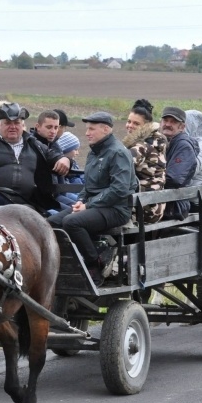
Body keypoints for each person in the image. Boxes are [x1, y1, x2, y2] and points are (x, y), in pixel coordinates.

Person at [48, 112, 136, 285]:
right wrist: (81, 201)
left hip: (116, 209)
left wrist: (88, 205)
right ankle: (67, 264)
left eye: (91, 129)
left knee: (72, 222)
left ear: (105, 130)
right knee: (50, 224)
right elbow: (88, 186)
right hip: (94, 206)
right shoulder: (94, 152)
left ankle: (95, 263)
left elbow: (120, 189)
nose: (87, 133)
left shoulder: (118, 153)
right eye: (87, 129)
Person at [0, 102, 71, 209]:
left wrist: (63, 158)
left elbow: (52, 155)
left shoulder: (33, 144)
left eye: (16, 122)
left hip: (26, 203)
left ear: (22, 124)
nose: (13, 127)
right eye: (7, 123)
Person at [121, 99, 167, 224]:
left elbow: (119, 168)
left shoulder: (142, 147)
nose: (130, 125)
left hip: (144, 207)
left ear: (146, 126)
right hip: (153, 203)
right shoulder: (154, 140)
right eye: (129, 121)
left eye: (136, 123)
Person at [160, 106, 198, 220]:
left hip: (173, 206)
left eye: (173, 122)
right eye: (165, 120)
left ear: (182, 127)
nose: (167, 124)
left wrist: (149, 181)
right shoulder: (163, 142)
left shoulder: (183, 146)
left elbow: (174, 178)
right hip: (163, 200)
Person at [49, 131, 85, 213]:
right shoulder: (57, 164)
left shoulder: (73, 163)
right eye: (75, 149)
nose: (77, 153)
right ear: (65, 150)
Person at [185, 109, 202, 212]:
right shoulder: (191, 143)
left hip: (196, 200)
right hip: (187, 195)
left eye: (185, 124)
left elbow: (190, 171)